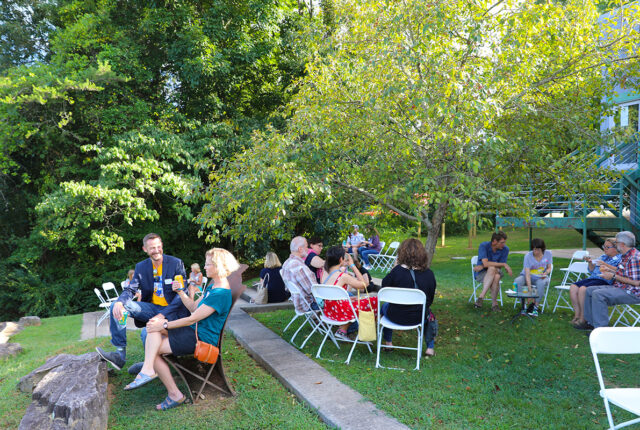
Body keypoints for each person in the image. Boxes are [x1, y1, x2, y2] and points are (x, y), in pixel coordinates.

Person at [123, 248, 238, 411]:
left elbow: (193, 318)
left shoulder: (220, 293)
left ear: (219, 266)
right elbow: (193, 307)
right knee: (152, 330)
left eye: (208, 264)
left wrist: (164, 325)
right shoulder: (214, 286)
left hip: (200, 338)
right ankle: (148, 368)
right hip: (194, 331)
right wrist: (181, 292)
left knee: (154, 347)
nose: (205, 268)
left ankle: (174, 394)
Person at [96, 233, 189, 371]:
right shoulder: (141, 267)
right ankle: (120, 354)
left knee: (146, 332)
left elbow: (182, 294)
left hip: (173, 311)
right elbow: (130, 290)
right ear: (145, 249)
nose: (156, 250)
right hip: (151, 308)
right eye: (152, 248)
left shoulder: (176, 263)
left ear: (162, 245)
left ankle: (150, 364)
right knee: (117, 306)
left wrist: (163, 315)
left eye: (158, 246)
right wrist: (120, 302)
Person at [380, 238, 437, 356]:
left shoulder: (397, 272)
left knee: (384, 307)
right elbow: (429, 300)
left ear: (402, 253)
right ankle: (430, 348)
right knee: (429, 314)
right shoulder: (429, 274)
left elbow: (384, 287)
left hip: (394, 315)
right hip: (418, 317)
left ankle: (388, 342)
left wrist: (395, 267)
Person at [579, 231, 640, 330]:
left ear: (622, 244)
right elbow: (624, 272)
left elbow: (636, 282)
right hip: (621, 287)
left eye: (616, 243)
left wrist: (613, 276)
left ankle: (601, 329)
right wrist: (610, 270)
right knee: (588, 290)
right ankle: (591, 323)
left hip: (633, 292)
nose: (615, 246)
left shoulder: (634, 258)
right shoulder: (626, 255)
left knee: (598, 294)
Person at [320, 246, 377, 340]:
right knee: (373, 300)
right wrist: (352, 265)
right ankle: (365, 332)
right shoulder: (342, 276)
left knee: (357, 300)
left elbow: (332, 296)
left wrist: (347, 299)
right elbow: (363, 284)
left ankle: (342, 331)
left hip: (329, 311)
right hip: (340, 313)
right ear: (341, 259)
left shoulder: (324, 274)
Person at [570, 239, 621, 326]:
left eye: (607, 247)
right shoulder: (603, 256)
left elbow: (619, 271)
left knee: (583, 289)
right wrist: (590, 263)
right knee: (573, 287)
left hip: (605, 280)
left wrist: (605, 264)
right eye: (603, 246)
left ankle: (583, 318)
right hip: (593, 278)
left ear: (616, 248)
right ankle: (577, 315)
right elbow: (591, 270)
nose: (604, 249)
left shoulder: (620, 258)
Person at [512, 238, 552, 316]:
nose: (535, 252)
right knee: (517, 281)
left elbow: (549, 268)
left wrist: (546, 273)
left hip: (541, 277)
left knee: (541, 283)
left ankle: (535, 307)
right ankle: (523, 306)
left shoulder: (548, 254)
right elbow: (527, 274)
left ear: (542, 249)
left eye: (537, 250)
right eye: (534, 249)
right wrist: (530, 292)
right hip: (527, 276)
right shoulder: (528, 256)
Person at [473, 231, 512, 311]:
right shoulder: (484, 246)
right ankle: (494, 304)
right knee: (496, 277)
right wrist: (503, 264)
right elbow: (487, 263)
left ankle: (481, 297)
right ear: (494, 241)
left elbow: (497, 266)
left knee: (493, 269)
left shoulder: (505, 249)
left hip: (497, 270)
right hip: (481, 274)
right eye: (501, 243)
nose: (503, 245)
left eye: (504, 242)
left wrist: (483, 266)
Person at [282, 236, 318, 312]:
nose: (308, 249)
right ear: (300, 249)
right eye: (306, 247)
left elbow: (287, 289)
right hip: (308, 305)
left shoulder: (286, 263)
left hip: (298, 303)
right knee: (344, 298)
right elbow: (313, 290)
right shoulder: (299, 266)